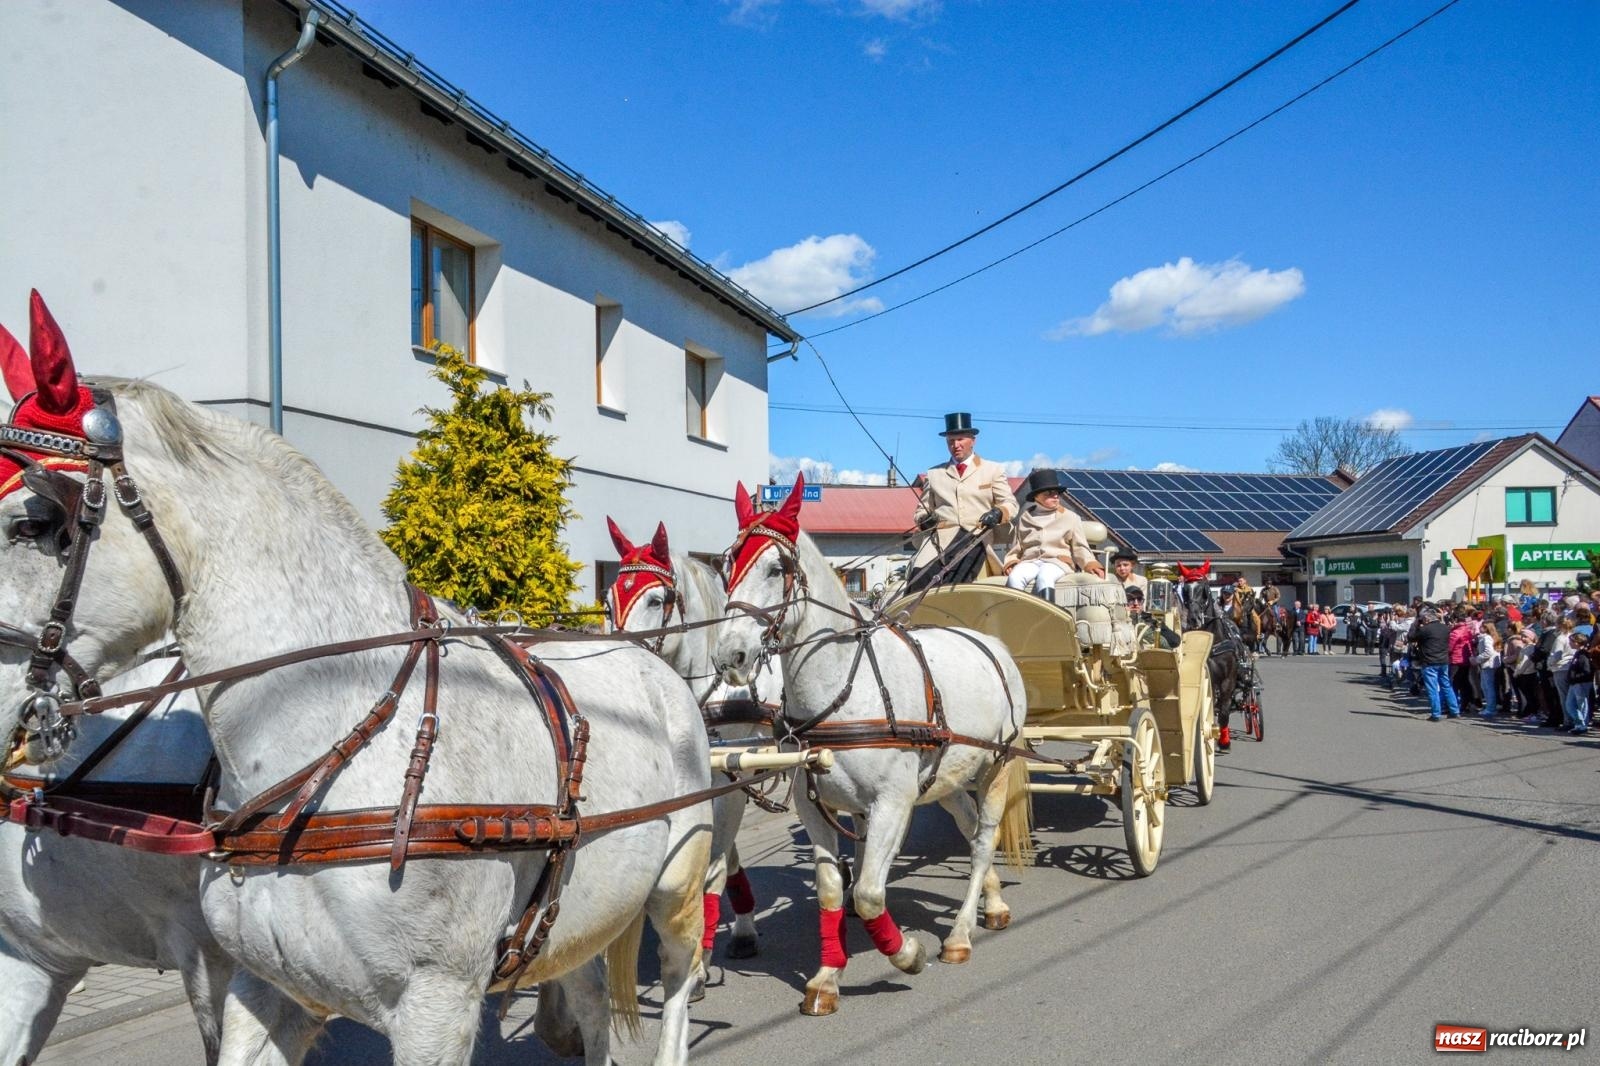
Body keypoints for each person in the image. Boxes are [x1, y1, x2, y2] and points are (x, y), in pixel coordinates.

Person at [908, 412, 1019, 586]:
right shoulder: (934, 474)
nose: (955, 445)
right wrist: (924, 520)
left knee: (960, 578)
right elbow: (921, 510)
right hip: (940, 541)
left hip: (976, 536)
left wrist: (998, 513)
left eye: (960, 439)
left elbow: (1010, 504)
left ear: (973, 440)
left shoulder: (992, 470)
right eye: (951, 441)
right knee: (918, 576)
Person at [1003, 468, 1104, 599]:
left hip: (1057, 562)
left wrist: (1090, 564)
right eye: (1049, 493)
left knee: (1045, 576)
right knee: (1015, 577)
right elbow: (1017, 547)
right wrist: (1012, 562)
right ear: (1037, 496)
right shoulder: (1025, 518)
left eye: (1057, 493)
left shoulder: (1070, 517)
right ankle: (1016, 612)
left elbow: (1080, 547)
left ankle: (1048, 611)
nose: (1055, 496)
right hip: (1030, 561)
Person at [1413, 607, 1460, 721]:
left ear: (1427, 619)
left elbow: (1411, 637)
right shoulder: (1445, 628)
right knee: (1446, 685)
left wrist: (1416, 624)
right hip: (1443, 660)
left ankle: (1436, 714)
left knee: (1432, 688)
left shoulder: (1425, 629)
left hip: (1429, 661)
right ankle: (1455, 710)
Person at [1563, 632, 1593, 735]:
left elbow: (1587, 672)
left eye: (1571, 641)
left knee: (1582, 705)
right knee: (1569, 704)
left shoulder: (1584, 655)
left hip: (1581, 683)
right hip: (1574, 683)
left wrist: (1575, 677)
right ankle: (1578, 722)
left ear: (1577, 642)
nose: (1569, 643)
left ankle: (1583, 725)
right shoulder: (1577, 653)